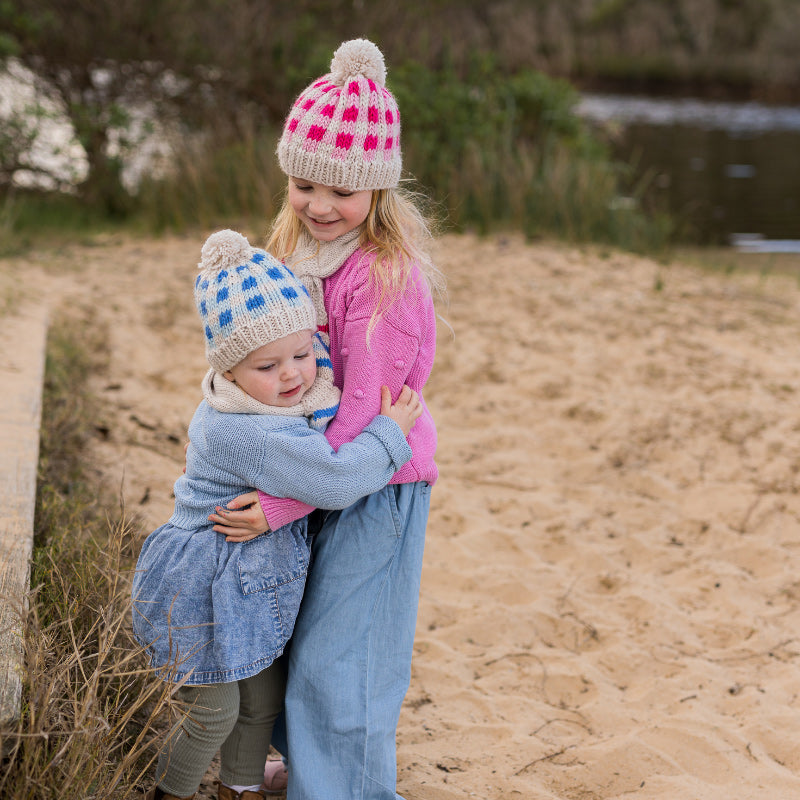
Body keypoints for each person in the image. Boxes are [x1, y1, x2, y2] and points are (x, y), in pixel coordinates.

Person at [208, 38, 442, 800]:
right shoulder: (297, 249)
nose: (319, 204)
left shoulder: (383, 279)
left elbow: (368, 414)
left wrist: (282, 503)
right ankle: (312, 767)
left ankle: (348, 788)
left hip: (375, 475)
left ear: (378, 189)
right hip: (320, 471)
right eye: (305, 182)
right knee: (298, 634)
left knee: (346, 655)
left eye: (342, 190)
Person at [132, 228, 423, 800]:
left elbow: (328, 412)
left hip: (246, 582)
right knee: (213, 710)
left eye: (302, 353)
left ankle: (238, 787)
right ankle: (170, 792)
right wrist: (390, 437)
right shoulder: (246, 428)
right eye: (269, 365)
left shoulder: (275, 397)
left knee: (261, 702)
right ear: (231, 370)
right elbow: (334, 477)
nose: (292, 374)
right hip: (203, 588)